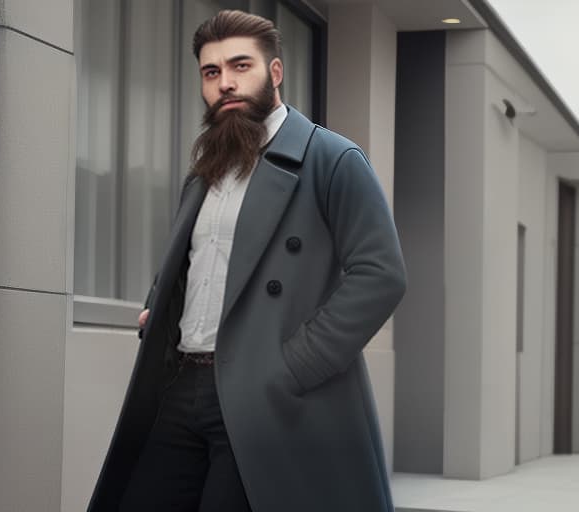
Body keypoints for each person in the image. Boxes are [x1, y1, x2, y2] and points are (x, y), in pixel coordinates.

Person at [88, 10, 406, 512]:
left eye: (240, 66)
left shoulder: (332, 159)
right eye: (211, 72)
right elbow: (195, 261)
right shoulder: (205, 170)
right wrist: (160, 307)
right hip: (181, 386)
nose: (226, 83)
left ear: (274, 73)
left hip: (260, 394)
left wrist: (292, 367)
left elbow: (381, 275)